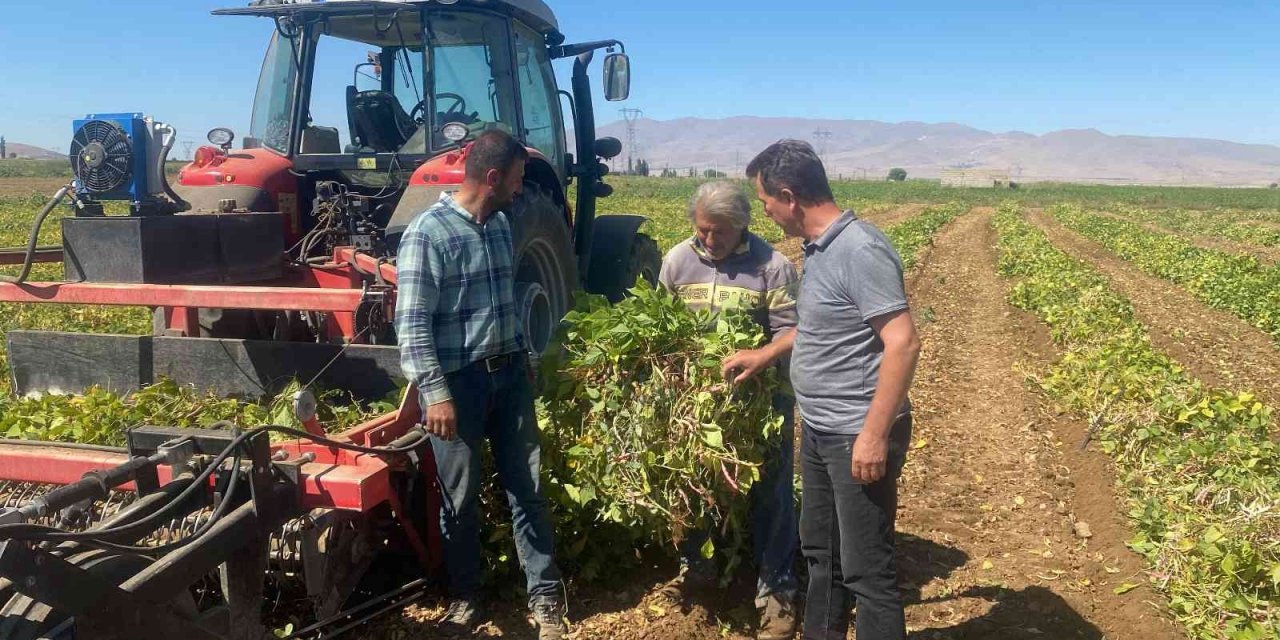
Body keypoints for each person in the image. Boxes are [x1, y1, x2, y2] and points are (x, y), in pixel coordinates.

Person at [394, 130, 567, 639]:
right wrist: (436, 393)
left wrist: (524, 355)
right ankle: (467, 597)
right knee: (459, 499)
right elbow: (412, 324)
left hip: (510, 375)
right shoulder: (428, 233)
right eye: (515, 180)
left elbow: (503, 303)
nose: (519, 190)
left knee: (528, 488)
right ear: (492, 178)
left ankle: (545, 594)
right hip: (459, 386)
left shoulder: (498, 227)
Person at [744, 140, 921, 640]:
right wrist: (765, 355)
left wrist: (872, 435)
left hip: (855, 433)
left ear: (789, 196)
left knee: (867, 571)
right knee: (823, 556)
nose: (767, 214)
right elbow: (823, 327)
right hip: (822, 429)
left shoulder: (860, 248)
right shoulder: (819, 248)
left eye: (765, 203)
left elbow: (903, 342)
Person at [657, 180, 801, 640]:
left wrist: (761, 357)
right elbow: (661, 328)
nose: (709, 240)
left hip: (761, 402)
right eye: (703, 230)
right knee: (693, 484)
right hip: (694, 404)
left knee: (770, 492)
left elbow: (794, 333)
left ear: (742, 226)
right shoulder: (677, 261)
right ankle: (698, 568)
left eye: (719, 232)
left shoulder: (773, 268)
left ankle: (776, 590)